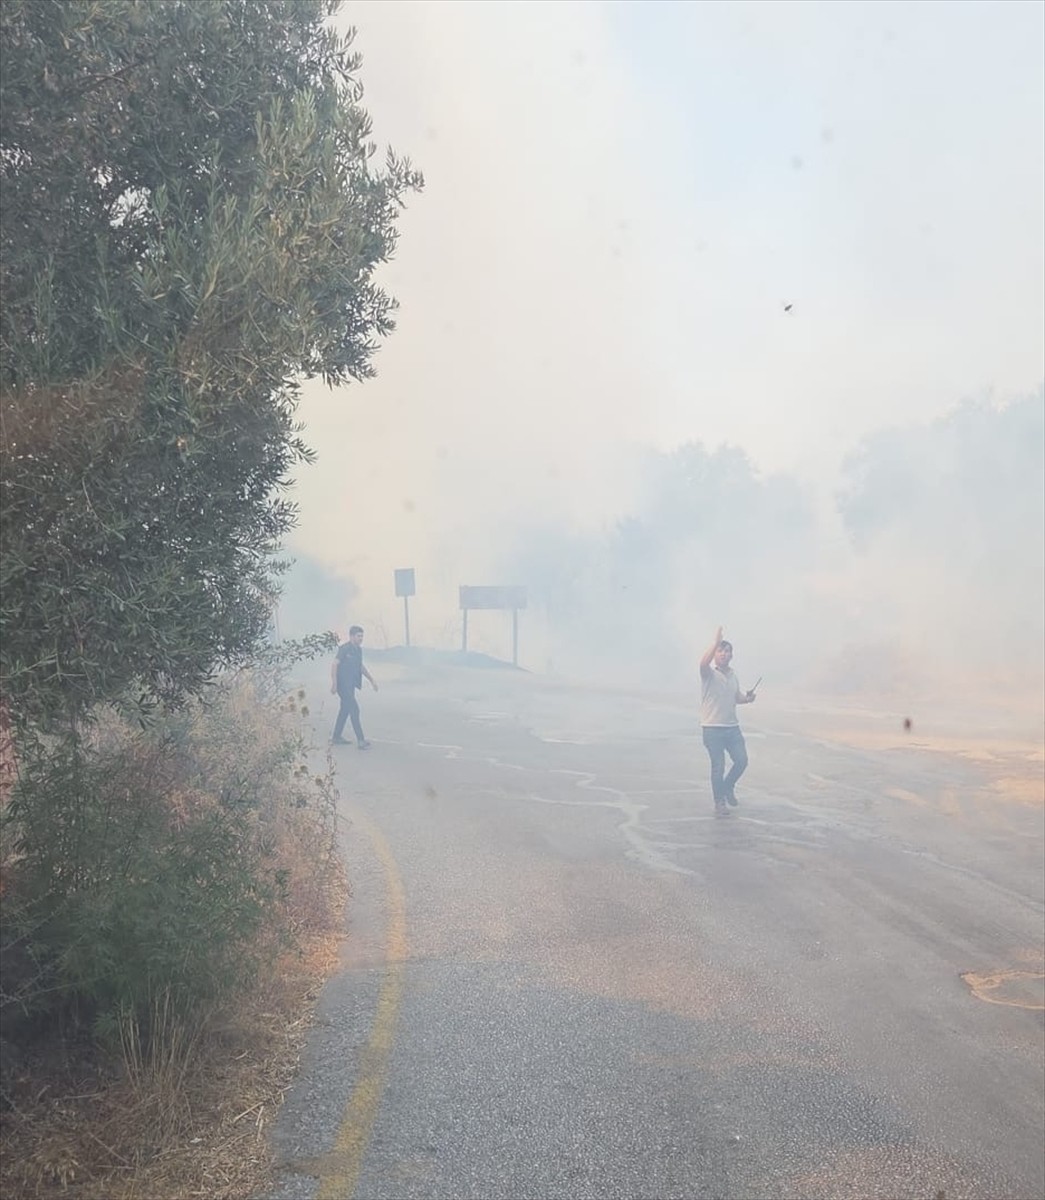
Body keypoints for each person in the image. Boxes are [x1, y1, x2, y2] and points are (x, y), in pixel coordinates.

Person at [699, 626, 756, 817]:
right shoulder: (708, 674)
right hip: (712, 728)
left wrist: (747, 699)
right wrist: (715, 641)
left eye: (727, 651)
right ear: (715, 655)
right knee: (718, 766)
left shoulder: (733, 675)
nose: (724, 654)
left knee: (742, 761)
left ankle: (728, 786)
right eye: (720, 651)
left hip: (732, 728)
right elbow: (702, 662)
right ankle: (719, 802)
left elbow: (736, 697)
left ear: (732, 655)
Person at [330, 626, 378, 748]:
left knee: (345, 710)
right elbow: (335, 664)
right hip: (342, 685)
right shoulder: (344, 649)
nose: (361, 638)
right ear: (351, 636)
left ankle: (336, 736)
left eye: (362, 636)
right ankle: (361, 740)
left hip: (351, 685)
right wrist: (334, 683)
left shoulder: (358, 650)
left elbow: (360, 666)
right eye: (358, 636)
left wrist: (371, 680)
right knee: (354, 709)